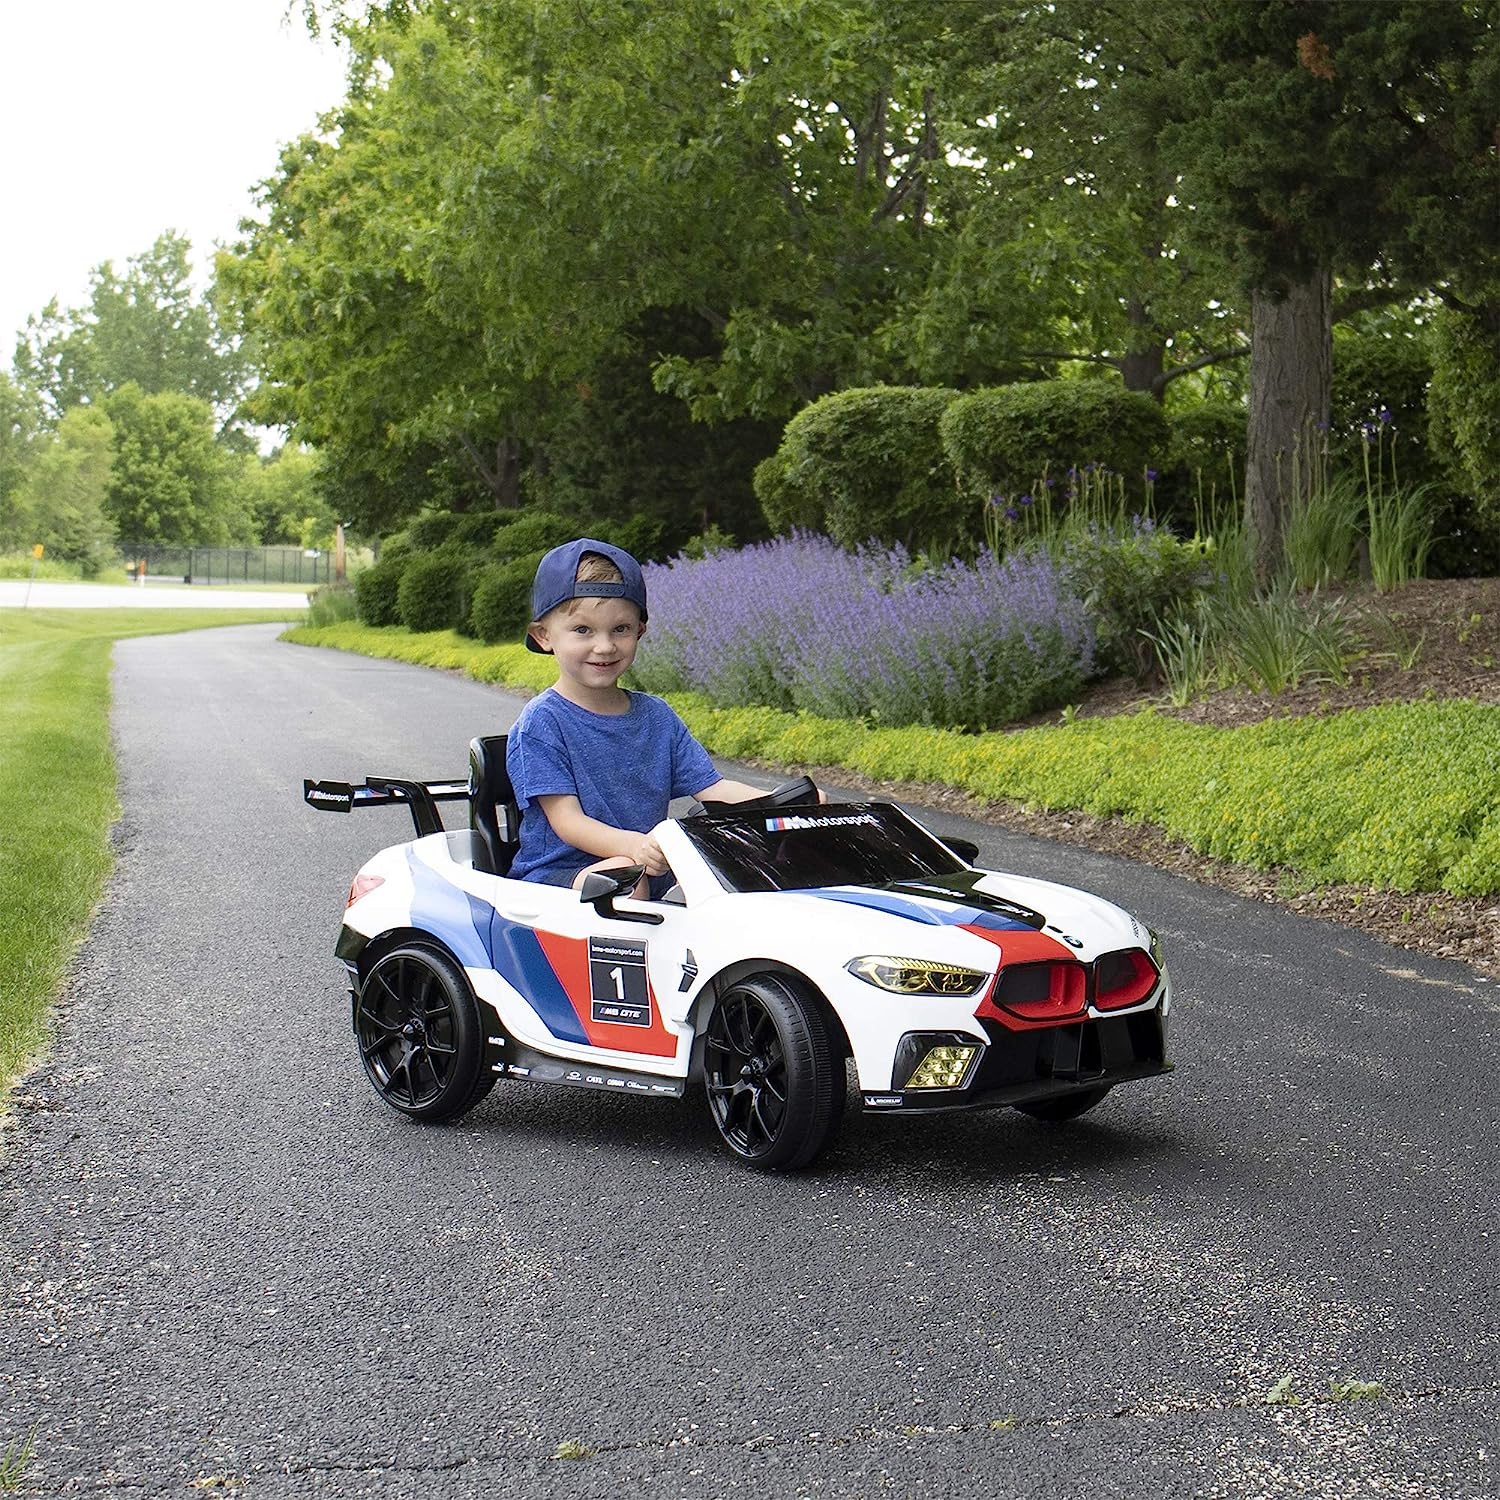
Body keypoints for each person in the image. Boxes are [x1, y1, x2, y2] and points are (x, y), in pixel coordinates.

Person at [506, 538, 770, 894]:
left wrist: (785, 803)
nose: (605, 646)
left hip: (649, 860)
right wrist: (634, 847)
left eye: (620, 629)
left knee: (741, 867)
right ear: (544, 636)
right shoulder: (541, 722)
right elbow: (568, 821)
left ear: (639, 632)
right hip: (558, 880)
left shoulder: (656, 716)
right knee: (627, 876)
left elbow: (714, 789)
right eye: (583, 630)